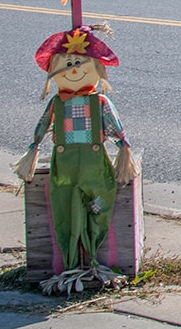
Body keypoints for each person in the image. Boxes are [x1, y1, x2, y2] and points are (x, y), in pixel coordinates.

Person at [14, 25, 137, 294]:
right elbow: (42, 126)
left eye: (80, 62)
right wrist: (33, 149)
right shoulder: (57, 104)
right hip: (65, 166)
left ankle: (94, 260)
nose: (73, 68)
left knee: (98, 207)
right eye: (68, 63)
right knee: (66, 210)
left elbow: (115, 128)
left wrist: (123, 149)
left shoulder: (100, 102)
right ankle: (71, 265)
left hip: (94, 165)